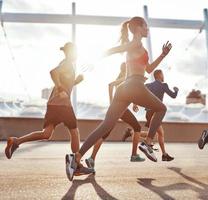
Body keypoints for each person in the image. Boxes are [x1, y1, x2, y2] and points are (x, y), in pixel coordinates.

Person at [65, 16, 172, 181]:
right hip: (135, 86)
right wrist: (94, 59)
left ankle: (76, 157)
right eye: (146, 26)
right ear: (138, 28)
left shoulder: (140, 47)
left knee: (105, 125)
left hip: (124, 89)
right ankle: (147, 142)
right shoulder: (135, 43)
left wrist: (163, 55)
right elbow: (114, 50)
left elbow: (149, 69)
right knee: (162, 108)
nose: (148, 29)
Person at [5, 42, 93, 175]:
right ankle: (77, 165)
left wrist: (75, 82)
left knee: (46, 134)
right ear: (70, 52)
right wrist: (60, 88)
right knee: (75, 132)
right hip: (63, 105)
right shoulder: (67, 64)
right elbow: (53, 72)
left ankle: (17, 141)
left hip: (53, 104)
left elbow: (64, 82)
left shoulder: (66, 64)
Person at [85, 63, 145, 170]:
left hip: (118, 108)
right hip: (120, 109)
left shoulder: (124, 78)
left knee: (104, 134)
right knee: (137, 127)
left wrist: (133, 103)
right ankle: (134, 155)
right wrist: (111, 101)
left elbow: (128, 93)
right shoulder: (125, 78)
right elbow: (110, 85)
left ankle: (92, 158)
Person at [123, 69, 178, 161]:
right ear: (160, 75)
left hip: (148, 113)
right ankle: (139, 138)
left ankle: (164, 154)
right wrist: (176, 90)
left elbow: (137, 93)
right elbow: (173, 95)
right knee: (158, 133)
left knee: (159, 133)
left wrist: (134, 103)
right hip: (157, 112)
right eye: (163, 74)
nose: (163, 76)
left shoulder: (148, 85)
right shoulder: (164, 85)